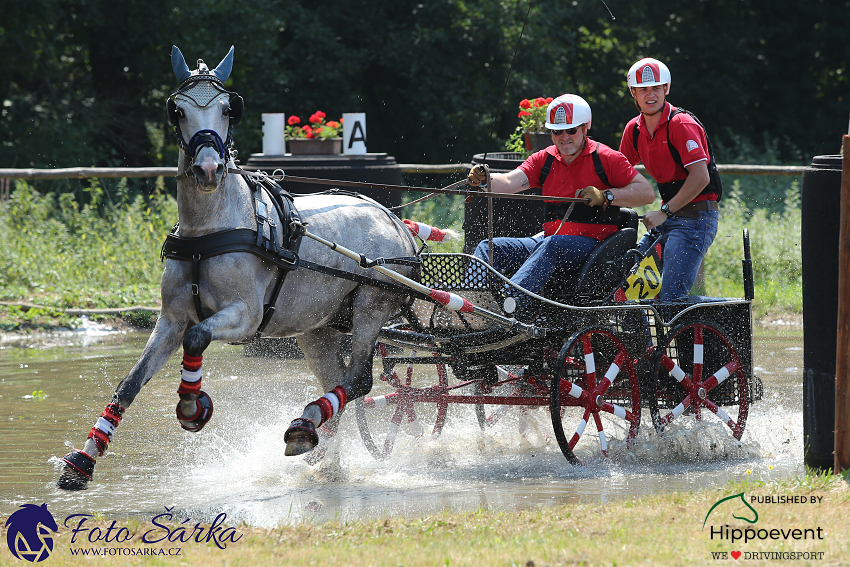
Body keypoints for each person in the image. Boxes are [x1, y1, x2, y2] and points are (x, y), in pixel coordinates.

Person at [467, 93, 654, 313]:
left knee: (551, 245)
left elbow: (646, 192)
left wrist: (606, 196)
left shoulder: (607, 158)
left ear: (586, 128)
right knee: (489, 248)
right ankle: (474, 309)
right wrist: (485, 180)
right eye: (557, 131)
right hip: (549, 243)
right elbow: (509, 181)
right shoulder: (543, 159)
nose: (564, 137)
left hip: (593, 247)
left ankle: (509, 307)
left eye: (571, 130)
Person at [619, 57, 722, 301]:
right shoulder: (633, 129)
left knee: (671, 298)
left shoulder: (681, 124)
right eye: (643, 89)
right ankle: (646, 340)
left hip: (697, 219)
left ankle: (727, 313)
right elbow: (617, 173)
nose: (650, 94)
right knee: (628, 288)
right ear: (633, 93)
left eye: (656, 88)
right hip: (670, 218)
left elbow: (700, 178)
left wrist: (663, 211)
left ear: (667, 89)